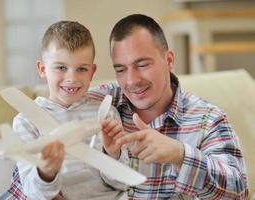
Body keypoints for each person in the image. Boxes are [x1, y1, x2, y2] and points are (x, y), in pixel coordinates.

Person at [88, 14, 248, 199]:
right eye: (121, 70)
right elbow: (56, 106)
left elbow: (238, 192)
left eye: (142, 64)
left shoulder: (208, 118)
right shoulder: (98, 102)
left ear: (169, 60)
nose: (132, 81)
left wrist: (180, 155)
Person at [0, 21, 129, 200]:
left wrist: (112, 153)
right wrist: (46, 173)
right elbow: (33, 193)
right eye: (61, 68)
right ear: (42, 69)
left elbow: (122, 183)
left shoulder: (107, 114)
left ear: (92, 72)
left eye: (82, 69)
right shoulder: (26, 121)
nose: (72, 78)